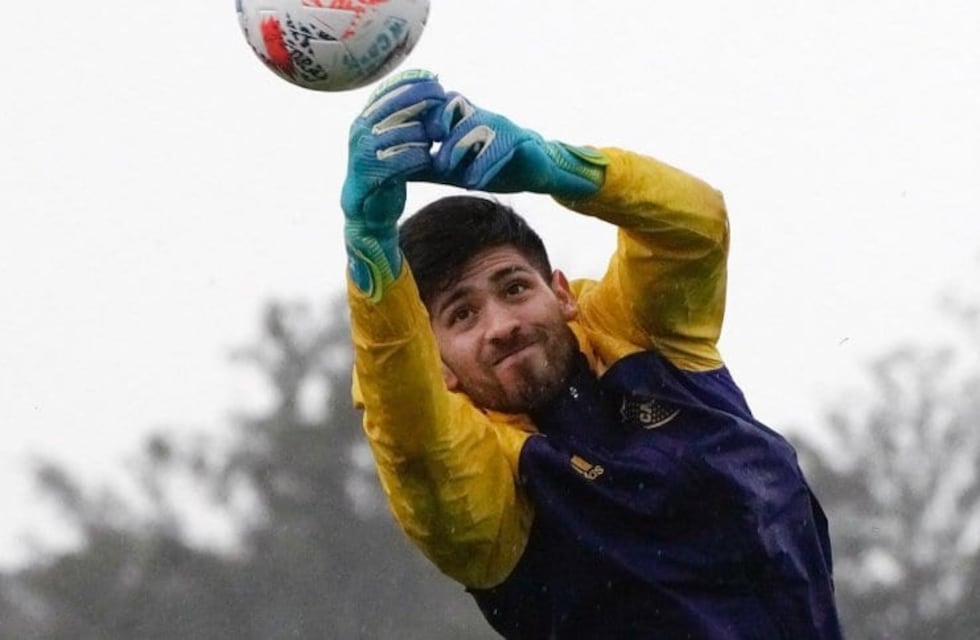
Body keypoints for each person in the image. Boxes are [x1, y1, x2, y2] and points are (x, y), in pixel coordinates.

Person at [341, 69, 843, 639]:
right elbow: (409, 430)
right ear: (439, 370)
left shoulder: (649, 342)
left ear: (560, 292)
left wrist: (560, 169)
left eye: (514, 288)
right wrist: (370, 250)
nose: (502, 325)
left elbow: (696, 228)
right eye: (463, 315)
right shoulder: (494, 493)